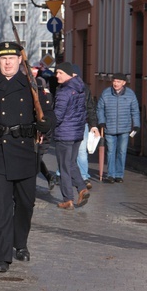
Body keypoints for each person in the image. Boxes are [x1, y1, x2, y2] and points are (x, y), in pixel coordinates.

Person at [0, 42, 55, 273]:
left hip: (24, 151)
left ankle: (21, 243)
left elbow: (48, 113)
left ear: (20, 60)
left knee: (26, 203)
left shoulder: (33, 85)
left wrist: (46, 123)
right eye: (3, 58)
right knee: (0, 205)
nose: (8, 62)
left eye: (12, 58)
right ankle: (1, 256)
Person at [53, 62, 89, 210]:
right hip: (77, 132)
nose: (57, 75)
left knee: (64, 167)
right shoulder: (80, 88)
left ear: (68, 74)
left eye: (60, 72)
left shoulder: (64, 91)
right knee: (72, 163)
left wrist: (47, 127)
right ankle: (82, 188)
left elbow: (58, 115)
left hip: (65, 133)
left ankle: (68, 199)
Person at [97, 73, 140, 183]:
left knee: (121, 151)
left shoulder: (130, 94)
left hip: (124, 128)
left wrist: (136, 125)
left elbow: (135, 110)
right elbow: (100, 108)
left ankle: (119, 174)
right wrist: (101, 121)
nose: (116, 83)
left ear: (124, 83)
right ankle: (111, 174)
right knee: (111, 151)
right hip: (109, 127)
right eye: (114, 81)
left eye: (118, 82)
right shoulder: (106, 93)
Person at [72, 64, 99, 190]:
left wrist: (93, 125)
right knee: (67, 151)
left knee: (82, 152)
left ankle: (83, 176)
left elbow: (90, 107)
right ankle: (61, 173)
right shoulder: (63, 88)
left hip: (82, 124)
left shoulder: (85, 89)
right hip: (68, 125)